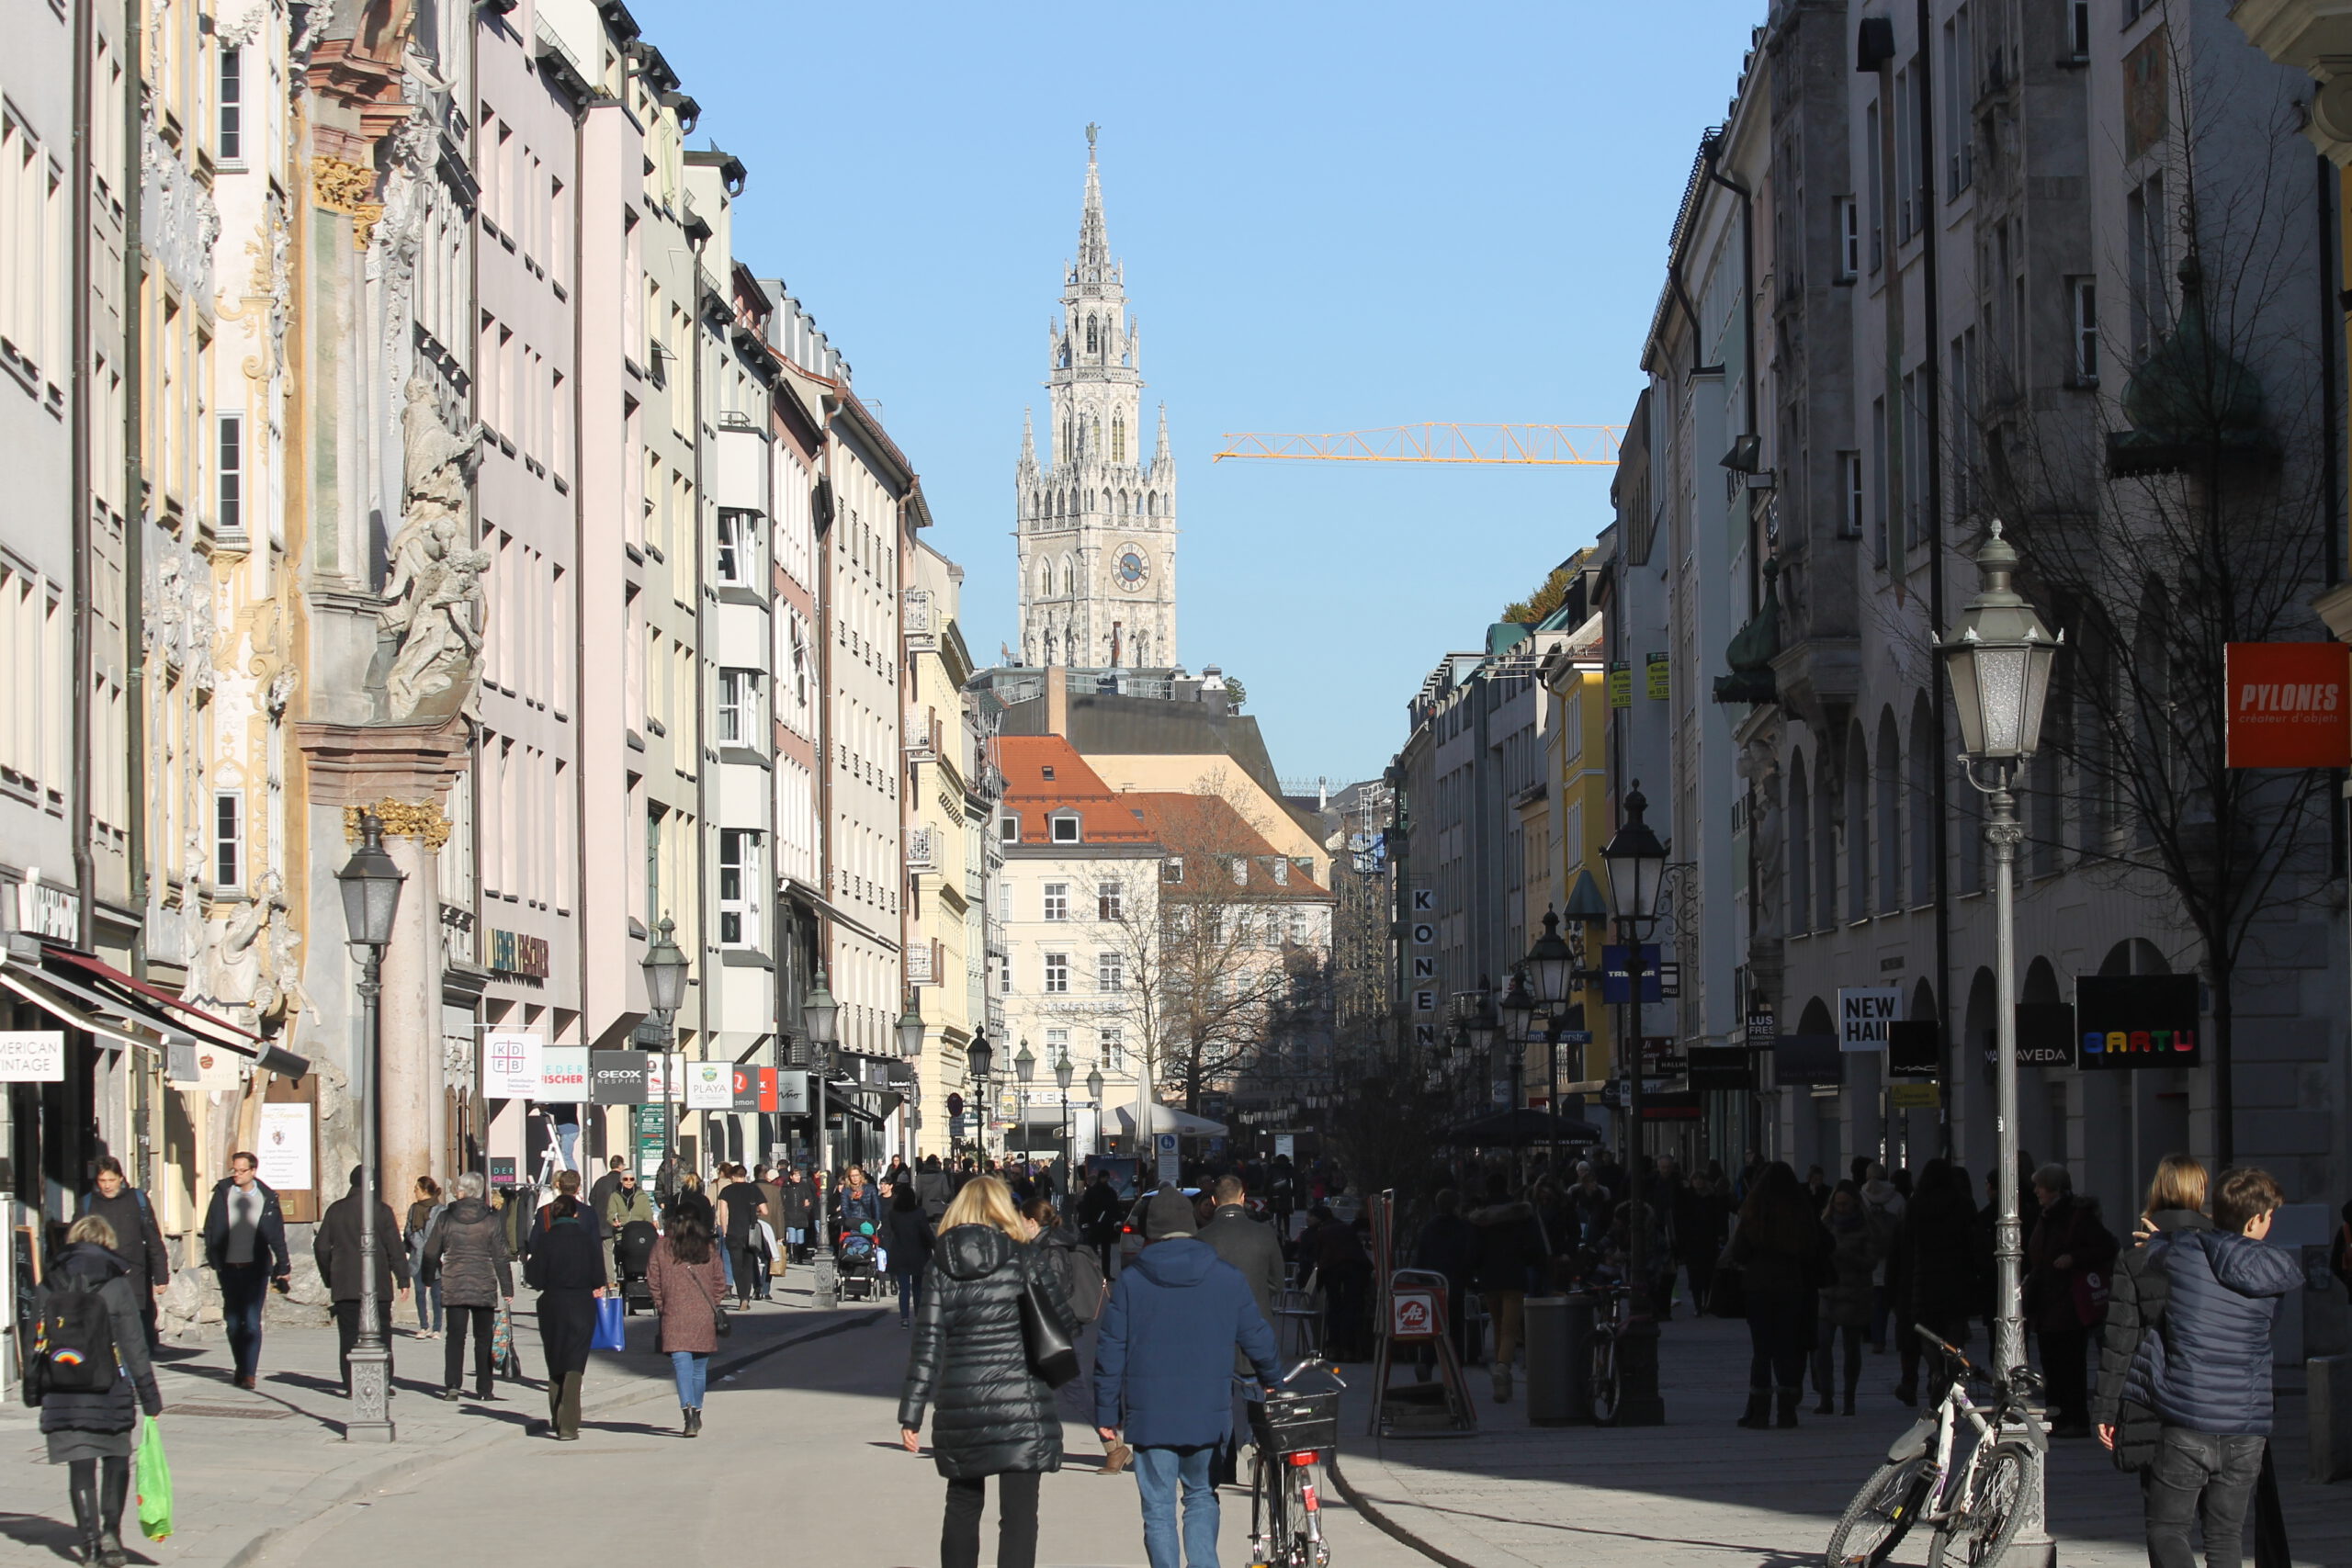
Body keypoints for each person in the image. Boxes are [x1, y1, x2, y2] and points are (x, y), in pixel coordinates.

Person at [2115, 1166, 2302, 1568]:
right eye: (2270, 1216)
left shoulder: (2184, 1252)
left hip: (2188, 1417)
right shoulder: (2272, 1272)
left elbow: (2157, 1256)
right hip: (2246, 1426)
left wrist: (2160, 1239)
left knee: (2168, 1529)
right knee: (2225, 1537)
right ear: (2255, 1220)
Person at [1093, 1186, 1283, 1568]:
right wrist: (1273, 1379)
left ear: (1150, 1232)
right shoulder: (1225, 1277)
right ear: (1194, 1225)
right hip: (1207, 1412)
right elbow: (1256, 1335)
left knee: (1158, 1508)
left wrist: (1106, 1414)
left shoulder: (1132, 1282)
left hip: (1150, 1417)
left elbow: (1109, 1351)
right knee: (1200, 1495)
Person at [897, 1176, 1077, 1568]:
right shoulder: (1024, 1255)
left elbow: (928, 1342)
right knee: (1019, 1514)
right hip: (1022, 1400)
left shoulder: (940, 1264)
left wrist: (910, 1413)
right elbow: (1064, 1323)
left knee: (962, 1503)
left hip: (963, 1402)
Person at [37, 1214, 163, 1568]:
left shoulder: (50, 1281)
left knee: (80, 1464)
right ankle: (111, 1533)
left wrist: (35, 1390)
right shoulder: (116, 1284)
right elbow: (134, 1345)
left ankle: (90, 1546)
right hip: (110, 1387)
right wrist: (149, 1394)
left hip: (63, 1388)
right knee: (115, 1457)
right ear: (108, 1243)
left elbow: (37, 1338)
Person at [2093, 1154, 2211, 1476]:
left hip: (2154, 1397)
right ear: (2200, 1191)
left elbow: (2120, 1340)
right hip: (2213, 1397)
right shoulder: (2222, 1250)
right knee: (2219, 1520)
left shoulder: (2136, 1258)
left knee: (2163, 1516)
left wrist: (2107, 1408)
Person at [1725, 1160, 1830, 1429]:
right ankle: (1787, 1411)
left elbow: (1739, 1252)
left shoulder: (1754, 1210)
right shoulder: (1800, 1210)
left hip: (1758, 1286)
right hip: (1791, 1285)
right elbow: (1814, 1247)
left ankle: (1759, 1412)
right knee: (1786, 1347)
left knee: (1761, 1350)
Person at [2023, 1163, 2116, 1438]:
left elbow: (2105, 1246)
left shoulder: (2076, 1215)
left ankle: (2073, 1418)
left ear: (2053, 1188)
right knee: (2052, 1362)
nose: (2037, 1191)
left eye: (2041, 1186)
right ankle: (2058, 1416)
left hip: (2068, 1302)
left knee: (2070, 1364)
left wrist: (2074, 1258)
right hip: (2048, 1300)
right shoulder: (2047, 1215)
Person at [1890, 1159, 1984, 1406]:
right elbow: (1973, 1244)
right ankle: (1952, 1379)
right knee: (1954, 1332)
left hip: (1924, 1279)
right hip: (1955, 1278)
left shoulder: (1916, 1205)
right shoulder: (1963, 1204)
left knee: (1929, 1333)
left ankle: (1936, 1372)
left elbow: (1905, 1245)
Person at [313, 1166, 412, 1397]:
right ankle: (383, 1382)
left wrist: (330, 1276)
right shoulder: (381, 1211)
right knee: (382, 1335)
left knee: (348, 1336)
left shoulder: (335, 1211)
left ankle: (351, 1385)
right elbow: (394, 1248)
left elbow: (321, 1246)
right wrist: (403, 1278)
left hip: (345, 1285)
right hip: (378, 1285)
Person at [526, 1191, 608, 1440]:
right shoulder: (585, 1241)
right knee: (575, 1361)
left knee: (555, 1358)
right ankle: (569, 1424)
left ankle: (556, 1417)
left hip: (552, 1303)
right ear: (575, 1214)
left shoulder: (546, 1241)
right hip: (581, 1303)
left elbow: (534, 1278)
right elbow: (598, 1276)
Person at [424, 1171, 512, 1402]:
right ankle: (484, 1388)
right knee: (483, 1338)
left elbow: (431, 1250)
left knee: (455, 1336)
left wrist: (427, 1278)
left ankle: (452, 1385)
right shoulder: (491, 1219)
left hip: (455, 1281)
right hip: (483, 1282)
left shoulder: (446, 1217)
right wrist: (507, 1288)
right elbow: (501, 1255)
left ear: (462, 1191)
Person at [647, 1196, 727, 1437]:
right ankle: (698, 1411)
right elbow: (719, 1282)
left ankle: (688, 1413)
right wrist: (712, 1303)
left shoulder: (662, 1247)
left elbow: (653, 1280)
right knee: (699, 1369)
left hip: (674, 1313)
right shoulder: (707, 1248)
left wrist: (662, 1305)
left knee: (681, 1365)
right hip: (703, 1314)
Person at [78, 1156, 169, 1350]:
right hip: (99, 1276)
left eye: (111, 1180)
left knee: (131, 1331)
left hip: (133, 1274)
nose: (107, 1186)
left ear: (120, 1178)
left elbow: (153, 1239)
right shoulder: (87, 1204)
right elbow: (76, 1239)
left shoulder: (137, 1200)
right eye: (102, 1181)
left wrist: (161, 1275)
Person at [1468, 1175, 1544, 1401]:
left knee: (1498, 1323)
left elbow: (1473, 1253)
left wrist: (1476, 1268)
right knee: (1511, 1328)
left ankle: (1502, 1385)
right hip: (1514, 1275)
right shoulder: (1521, 1215)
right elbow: (1534, 1247)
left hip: (1490, 1278)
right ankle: (1503, 1368)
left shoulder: (1479, 1219)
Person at [1813, 1185, 1883, 1416]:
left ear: (1854, 1204)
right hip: (1828, 1293)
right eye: (1837, 1204)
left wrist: (1843, 1253)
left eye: (1844, 1204)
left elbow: (1871, 1260)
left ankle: (1849, 1398)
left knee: (1851, 1349)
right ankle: (1826, 1396)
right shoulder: (1826, 1224)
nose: (1840, 1208)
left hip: (1854, 1295)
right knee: (1822, 1346)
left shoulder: (1865, 1227)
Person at [1858, 1162, 1906, 1351]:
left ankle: (1875, 1337)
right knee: (1893, 1301)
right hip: (1892, 1254)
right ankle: (1899, 1336)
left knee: (1874, 1299)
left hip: (1870, 1254)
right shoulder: (1897, 1198)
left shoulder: (1861, 1196)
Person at [1675, 1170, 1731, 1316]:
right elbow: (1682, 1218)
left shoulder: (1712, 1198)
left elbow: (1719, 1217)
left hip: (1708, 1241)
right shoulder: (1687, 1197)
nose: (1698, 1182)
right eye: (1696, 1179)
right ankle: (1698, 1305)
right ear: (1692, 1181)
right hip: (1692, 1242)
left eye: (1701, 1179)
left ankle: (1707, 1302)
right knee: (1695, 1276)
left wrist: (1720, 1235)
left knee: (1708, 1274)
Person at [715, 1164, 769, 1310]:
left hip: (733, 1233)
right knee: (749, 1265)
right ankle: (746, 1297)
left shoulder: (726, 1191)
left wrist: (725, 1231)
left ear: (732, 1176)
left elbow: (723, 1214)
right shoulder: (753, 1189)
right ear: (745, 1175)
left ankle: (742, 1297)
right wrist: (753, 1210)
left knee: (736, 1267)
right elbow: (765, 1211)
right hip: (750, 1233)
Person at [886, 1180, 938, 1327]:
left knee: (904, 1289)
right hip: (918, 1253)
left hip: (900, 1253)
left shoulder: (893, 1214)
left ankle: (904, 1318)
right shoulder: (919, 1213)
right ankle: (918, 1315)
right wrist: (935, 1245)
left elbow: (893, 1231)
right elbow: (926, 1232)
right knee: (917, 1287)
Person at [403, 1176, 446, 1340]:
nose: (415, 1192)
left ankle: (437, 1327)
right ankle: (423, 1325)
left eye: (417, 1189)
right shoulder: (414, 1209)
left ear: (425, 1190)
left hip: (434, 1257)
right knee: (420, 1292)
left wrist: (430, 1245)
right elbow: (408, 1229)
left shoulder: (440, 1210)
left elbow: (441, 1231)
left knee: (436, 1293)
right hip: (417, 1256)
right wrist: (418, 1242)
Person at [1077, 1168, 1125, 1276]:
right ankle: (1106, 1274)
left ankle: (1095, 1274)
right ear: (1106, 1178)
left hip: (1094, 1225)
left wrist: (1084, 1223)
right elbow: (1115, 1208)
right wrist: (1117, 1221)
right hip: (1106, 1226)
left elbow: (1085, 1209)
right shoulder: (1110, 1192)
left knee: (1093, 1251)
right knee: (1106, 1252)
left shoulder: (1091, 1191)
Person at [780, 1166, 816, 1263]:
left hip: (801, 1215)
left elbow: (810, 1199)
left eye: (799, 1175)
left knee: (800, 1238)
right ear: (791, 1176)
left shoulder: (804, 1186)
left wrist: (807, 1208)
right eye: (796, 1175)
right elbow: (781, 1200)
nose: (798, 1177)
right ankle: (792, 1256)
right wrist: (783, 1210)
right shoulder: (786, 1187)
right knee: (791, 1236)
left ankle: (799, 1257)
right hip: (789, 1215)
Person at [605, 1168, 658, 1233]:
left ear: (634, 1180)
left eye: (631, 1179)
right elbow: (611, 1213)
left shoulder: (642, 1196)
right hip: (622, 1231)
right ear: (621, 1180)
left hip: (639, 1231)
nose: (629, 1181)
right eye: (625, 1179)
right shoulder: (615, 1196)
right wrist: (614, 1221)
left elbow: (648, 1215)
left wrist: (649, 1228)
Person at [587, 1155, 628, 1224]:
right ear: (620, 1166)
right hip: (619, 1223)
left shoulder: (600, 1181)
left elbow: (591, 1199)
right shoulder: (625, 1182)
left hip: (601, 1223)